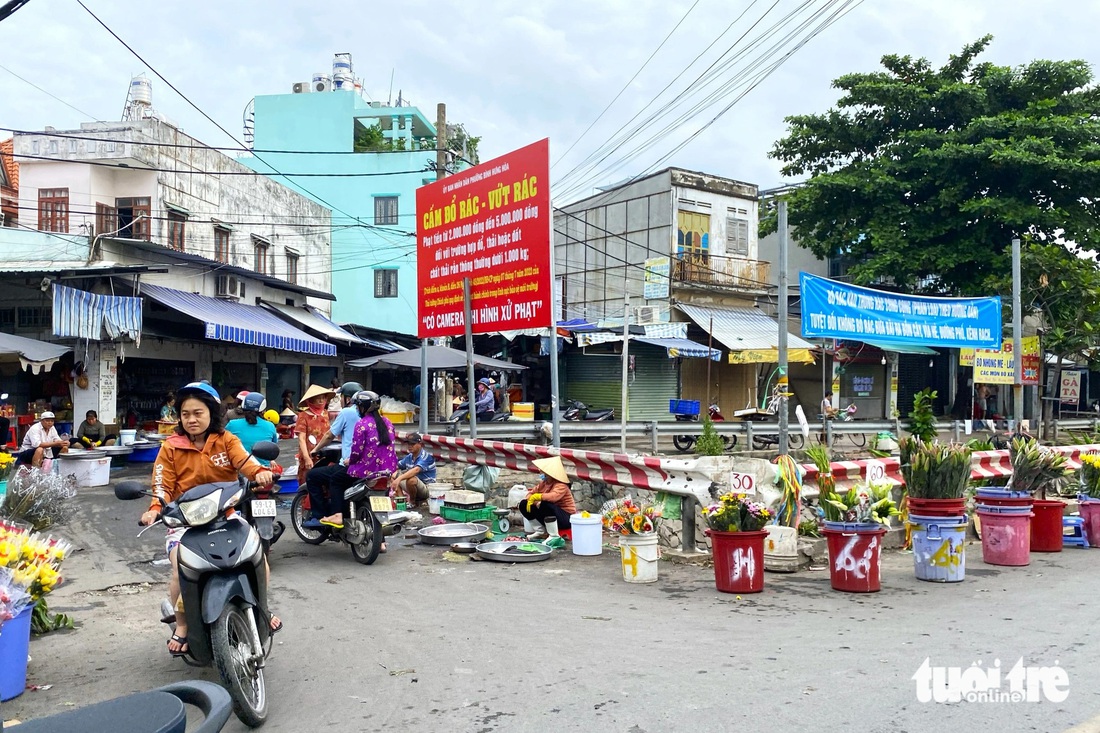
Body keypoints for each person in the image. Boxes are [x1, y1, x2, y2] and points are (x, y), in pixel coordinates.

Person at [138, 382, 279, 657]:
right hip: (184, 523)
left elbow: (245, 462)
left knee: (257, 557)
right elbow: (161, 484)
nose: (191, 419)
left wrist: (260, 472)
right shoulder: (170, 446)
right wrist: (155, 508)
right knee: (181, 569)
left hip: (226, 515)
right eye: (185, 413)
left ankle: (262, 607)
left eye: (198, 413)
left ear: (211, 413)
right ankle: (182, 624)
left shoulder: (225, 439)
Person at [318, 390, 398, 535]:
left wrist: (350, 460)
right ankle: (381, 542)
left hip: (365, 471)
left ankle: (337, 515)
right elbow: (391, 448)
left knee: (336, 479)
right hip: (386, 471)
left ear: (363, 407)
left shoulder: (362, 424)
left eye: (358, 406)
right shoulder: (387, 422)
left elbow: (356, 451)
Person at [303, 381, 363, 528]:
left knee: (313, 476)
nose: (322, 401)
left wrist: (315, 449)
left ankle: (320, 516)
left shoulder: (347, 412)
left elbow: (329, 435)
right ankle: (380, 542)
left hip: (352, 464)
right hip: (374, 466)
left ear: (348, 399)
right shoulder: (376, 417)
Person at [517, 456, 576, 549]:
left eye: (543, 471)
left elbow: (553, 497)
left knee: (545, 504)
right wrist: (535, 502)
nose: (540, 472)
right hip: (551, 515)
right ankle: (540, 531)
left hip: (566, 518)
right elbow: (529, 495)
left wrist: (538, 497)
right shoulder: (543, 484)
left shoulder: (561, 485)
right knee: (524, 504)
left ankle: (554, 536)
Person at [294, 384, 335, 488]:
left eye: (323, 398)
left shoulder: (325, 413)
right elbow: (301, 439)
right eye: (318, 399)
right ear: (311, 400)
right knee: (308, 484)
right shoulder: (303, 415)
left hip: (325, 455)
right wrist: (307, 458)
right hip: (310, 455)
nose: (321, 401)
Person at [225, 392, 278, 466]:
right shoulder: (270, 426)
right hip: (262, 472)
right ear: (263, 409)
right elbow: (273, 446)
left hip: (238, 469)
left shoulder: (232, 424)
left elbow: (222, 443)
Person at [389, 432, 435, 509]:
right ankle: (401, 500)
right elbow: (396, 466)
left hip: (427, 488)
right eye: (409, 444)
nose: (410, 446)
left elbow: (416, 470)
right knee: (392, 474)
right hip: (413, 486)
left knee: (411, 480)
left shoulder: (426, 457)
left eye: (412, 444)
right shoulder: (409, 457)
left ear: (420, 444)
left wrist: (399, 479)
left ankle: (412, 502)